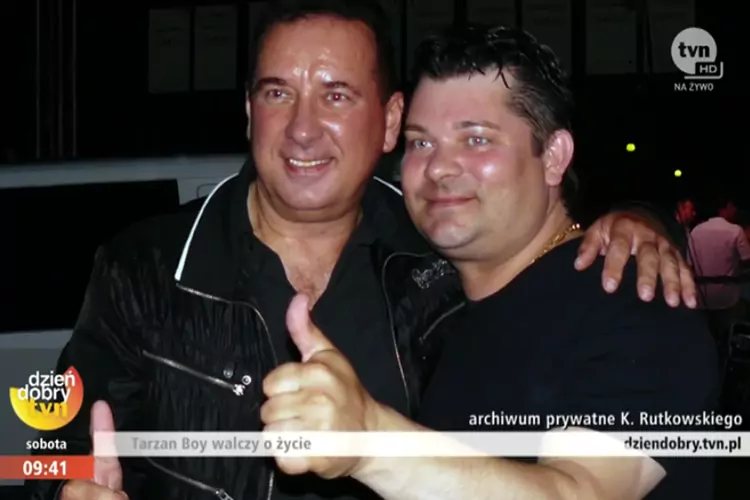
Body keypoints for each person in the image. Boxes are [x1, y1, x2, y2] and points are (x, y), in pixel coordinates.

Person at [25, 3, 695, 500]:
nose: (303, 128)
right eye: (278, 93)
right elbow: (47, 441)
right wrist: (62, 486)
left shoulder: (433, 263)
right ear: (250, 114)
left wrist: (642, 220)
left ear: (388, 120)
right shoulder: (144, 265)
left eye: (337, 95)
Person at [259, 24, 718, 500]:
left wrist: (370, 441)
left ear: (554, 156)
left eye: (476, 139)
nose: (439, 167)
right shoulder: (431, 299)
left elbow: (581, 492)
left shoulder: (634, 299)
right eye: (420, 142)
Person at [690, 197, 750, 332]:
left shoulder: (695, 231)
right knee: (727, 332)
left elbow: (690, 263)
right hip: (728, 297)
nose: (735, 210)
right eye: (733, 207)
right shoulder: (735, 231)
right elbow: (747, 259)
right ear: (727, 206)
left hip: (702, 297)